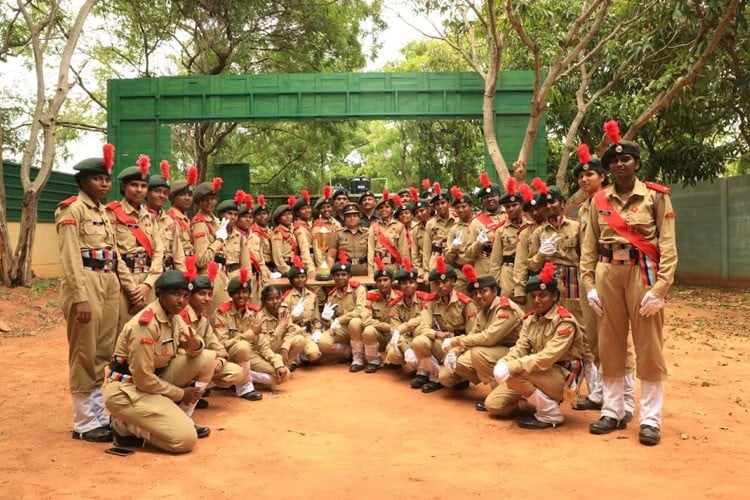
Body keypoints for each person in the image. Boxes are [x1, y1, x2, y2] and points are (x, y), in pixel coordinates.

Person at [580, 120, 678, 446]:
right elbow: (589, 247)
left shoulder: (656, 197)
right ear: (608, 168)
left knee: (649, 347)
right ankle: (612, 410)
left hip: (643, 273)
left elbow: (668, 245)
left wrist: (661, 289)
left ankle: (650, 419)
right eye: (614, 161)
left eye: (626, 159)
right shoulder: (598, 202)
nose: (620, 164)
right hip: (608, 272)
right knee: (610, 344)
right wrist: (589, 284)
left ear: (636, 163)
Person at [104, 270, 215, 453]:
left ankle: (182, 417)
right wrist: (181, 394)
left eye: (186, 296)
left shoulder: (174, 316)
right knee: (185, 441)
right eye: (175, 294)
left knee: (208, 357)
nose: (182, 301)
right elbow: (143, 379)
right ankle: (124, 427)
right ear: (159, 294)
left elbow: (195, 344)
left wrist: (195, 345)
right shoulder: (146, 325)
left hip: (153, 383)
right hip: (128, 390)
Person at [56, 144, 122, 443]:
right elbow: (70, 256)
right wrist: (80, 295)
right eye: (98, 178)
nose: (104, 184)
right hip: (85, 281)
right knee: (84, 351)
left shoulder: (104, 212)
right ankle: (83, 422)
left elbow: (113, 251)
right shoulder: (72, 209)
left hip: (107, 280)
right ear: (82, 181)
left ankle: (97, 415)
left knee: (102, 350)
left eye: (107, 179)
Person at [486, 262, 586, 429]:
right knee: (494, 405)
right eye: (533, 296)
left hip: (562, 376)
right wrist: (504, 362)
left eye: (543, 295)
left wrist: (511, 366)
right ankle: (537, 401)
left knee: (515, 373)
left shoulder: (564, 322)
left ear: (554, 296)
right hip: (539, 373)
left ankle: (550, 413)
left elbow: (547, 358)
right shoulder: (530, 319)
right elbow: (521, 347)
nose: (537, 300)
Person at [180, 259, 263, 401]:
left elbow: (219, 348)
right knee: (242, 348)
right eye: (201, 294)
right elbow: (183, 352)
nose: (207, 299)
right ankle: (185, 397)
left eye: (209, 294)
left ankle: (196, 390)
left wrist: (220, 360)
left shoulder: (204, 320)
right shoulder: (182, 318)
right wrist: (215, 356)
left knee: (237, 372)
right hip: (184, 365)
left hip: (217, 358)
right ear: (189, 296)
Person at [439, 266, 524, 405]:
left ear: (494, 291)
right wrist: (455, 352)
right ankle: (498, 386)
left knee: (478, 353)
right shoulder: (483, 311)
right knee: (452, 369)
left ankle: (501, 394)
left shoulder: (505, 309)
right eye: (475, 293)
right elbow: (474, 334)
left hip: (515, 352)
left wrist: (456, 341)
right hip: (494, 351)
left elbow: (488, 338)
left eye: (483, 291)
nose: (478, 296)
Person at [107, 156, 165, 333]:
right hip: (124, 282)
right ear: (124, 187)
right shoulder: (112, 213)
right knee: (123, 330)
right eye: (134, 185)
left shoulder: (149, 216)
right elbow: (113, 252)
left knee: (149, 329)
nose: (139, 190)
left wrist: (147, 285)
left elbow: (158, 252)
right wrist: (132, 289)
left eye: (143, 186)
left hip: (148, 281)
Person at [411, 256, 477, 393]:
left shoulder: (465, 303)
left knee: (447, 379)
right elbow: (423, 326)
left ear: (453, 282)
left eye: (446, 281)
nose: (441, 286)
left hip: (459, 347)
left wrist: (457, 349)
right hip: (440, 343)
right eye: (437, 283)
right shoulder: (431, 302)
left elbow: (472, 335)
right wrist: (436, 333)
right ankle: (435, 376)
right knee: (419, 341)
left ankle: (460, 377)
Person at [211, 267, 269, 397]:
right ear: (231, 294)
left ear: (249, 294)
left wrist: (276, 362)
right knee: (243, 346)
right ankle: (245, 388)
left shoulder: (254, 312)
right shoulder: (221, 313)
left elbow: (262, 342)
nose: (241, 296)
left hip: (249, 356)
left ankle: (243, 375)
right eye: (237, 292)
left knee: (277, 377)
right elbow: (222, 344)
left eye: (245, 292)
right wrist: (248, 335)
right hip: (228, 354)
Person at [318, 251, 366, 362]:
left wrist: (339, 320)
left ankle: (358, 359)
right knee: (323, 343)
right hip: (343, 330)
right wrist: (326, 320)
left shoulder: (358, 290)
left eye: (343, 275)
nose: (340, 278)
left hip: (359, 328)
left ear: (350, 276)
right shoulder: (331, 296)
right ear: (333, 277)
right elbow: (332, 323)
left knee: (355, 322)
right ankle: (347, 352)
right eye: (337, 275)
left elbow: (359, 311)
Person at [489, 178, 533, 297]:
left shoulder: (531, 227)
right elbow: (495, 261)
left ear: (522, 205)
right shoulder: (501, 231)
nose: (511, 209)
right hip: (507, 273)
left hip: (527, 271)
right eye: (508, 207)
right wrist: (495, 284)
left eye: (514, 205)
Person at [358, 257, 400, 373]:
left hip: (395, 336)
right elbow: (366, 320)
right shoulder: (370, 296)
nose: (382, 283)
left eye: (386, 280)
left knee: (395, 354)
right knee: (368, 330)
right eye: (379, 281)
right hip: (379, 335)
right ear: (376, 283)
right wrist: (386, 327)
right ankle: (373, 361)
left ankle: (395, 360)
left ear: (392, 281)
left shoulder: (399, 297)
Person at [384, 258, 426, 373]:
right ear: (399, 287)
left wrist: (404, 327)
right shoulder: (395, 304)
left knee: (419, 329)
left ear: (416, 284)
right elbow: (395, 329)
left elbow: (424, 319)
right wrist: (406, 349)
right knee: (392, 354)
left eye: (411, 282)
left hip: (422, 338)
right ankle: (414, 365)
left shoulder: (426, 300)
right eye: (403, 283)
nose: (407, 286)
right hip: (406, 339)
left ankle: (422, 371)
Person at [281, 256, 323, 368]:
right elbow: (283, 322)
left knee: (313, 354)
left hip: (307, 332)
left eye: (302, 276)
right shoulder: (287, 298)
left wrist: (317, 330)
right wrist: (293, 316)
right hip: (293, 333)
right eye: (297, 277)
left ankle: (302, 355)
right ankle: (296, 357)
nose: (300, 280)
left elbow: (316, 318)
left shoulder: (312, 296)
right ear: (291, 280)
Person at [511, 183, 549, 307]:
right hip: (535, 281)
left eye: (538, 208)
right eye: (531, 211)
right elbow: (520, 263)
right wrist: (519, 290)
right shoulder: (525, 234)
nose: (535, 213)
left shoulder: (556, 228)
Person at [146, 160, 185, 272]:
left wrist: (185, 279)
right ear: (147, 193)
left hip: (167, 275)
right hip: (146, 274)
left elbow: (178, 254)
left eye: (165, 193)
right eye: (157, 191)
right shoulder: (139, 218)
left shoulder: (171, 222)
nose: (161, 196)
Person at [466, 172, 505, 276]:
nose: (490, 199)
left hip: (507, 267)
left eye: (493, 196)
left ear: (500, 197)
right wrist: (478, 243)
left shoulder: (509, 216)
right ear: (482, 201)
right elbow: (469, 253)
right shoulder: (476, 222)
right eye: (486, 197)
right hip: (485, 268)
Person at [191, 177, 229, 278]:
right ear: (199, 202)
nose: (209, 202)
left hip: (221, 272)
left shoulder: (215, 221)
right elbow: (201, 260)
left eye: (212, 199)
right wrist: (219, 240)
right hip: (208, 276)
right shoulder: (199, 223)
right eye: (205, 200)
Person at [367, 190, 408, 276]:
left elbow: (403, 250)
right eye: (381, 208)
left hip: (394, 266)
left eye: (387, 207)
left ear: (392, 209)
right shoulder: (373, 227)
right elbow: (370, 252)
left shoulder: (399, 226)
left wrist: (405, 269)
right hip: (377, 266)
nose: (384, 209)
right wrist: (370, 272)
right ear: (378, 210)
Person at [444, 186, 474, 293]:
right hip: (460, 273)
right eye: (457, 207)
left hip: (478, 270)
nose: (460, 210)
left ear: (471, 206)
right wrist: (453, 249)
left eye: (464, 206)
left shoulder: (479, 223)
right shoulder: (454, 229)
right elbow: (448, 258)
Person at [422, 182, 456, 274]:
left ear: (449, 203)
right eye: (437, 204)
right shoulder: (430, 224)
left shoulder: (457, 220)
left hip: (454, 262)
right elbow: (427, 249)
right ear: (434, 207)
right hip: (436, 262)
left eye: (443, 203)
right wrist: (426, 271)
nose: (440, 206)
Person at [328, 203, 369, 276]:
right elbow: (331, 256)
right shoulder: (337, 233)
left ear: (359, 218)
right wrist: (330, 273)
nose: (352, 218)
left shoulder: (367, 233)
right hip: (344, 271)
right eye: (349, 216)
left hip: (364, 270)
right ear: (344, 218)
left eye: (355, 216)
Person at [166, 165, 198, 259]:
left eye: (189, 195)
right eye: (183, 195)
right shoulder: (170, 218)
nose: (187, 198)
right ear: (173, 198)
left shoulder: (185, 218)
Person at [271, 196, 299, 276]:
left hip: (293, 265)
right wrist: (288, 271)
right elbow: (277, 256)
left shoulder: (291, 231)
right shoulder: (278, 233)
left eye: (289, 214)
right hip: (284, 269)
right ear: (278, 219)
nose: (288, 216)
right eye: (284, 215)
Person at [292, 190, 317, 277]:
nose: (307, 210)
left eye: (308, 207)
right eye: (303, 209)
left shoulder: (308, 225)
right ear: (297, 213)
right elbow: (304, 250)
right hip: (307, 263)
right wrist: (310, 269)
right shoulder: (300, 228)